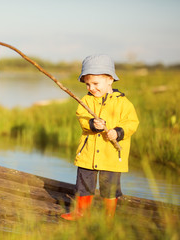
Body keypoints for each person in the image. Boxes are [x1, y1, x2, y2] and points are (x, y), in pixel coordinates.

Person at [61, 54, 139, 221]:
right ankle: (81, 212)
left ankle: (108, 217)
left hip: (111, 155)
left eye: (96, 83)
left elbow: (131, 123)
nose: (91, 88)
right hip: (88, 153)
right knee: (84, 184)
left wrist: (118, 132)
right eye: (88, 84)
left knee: (109, 187)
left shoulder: (123, 103)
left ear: (110, 80)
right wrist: (91, 123)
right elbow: (81, 118)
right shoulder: (86, 101)